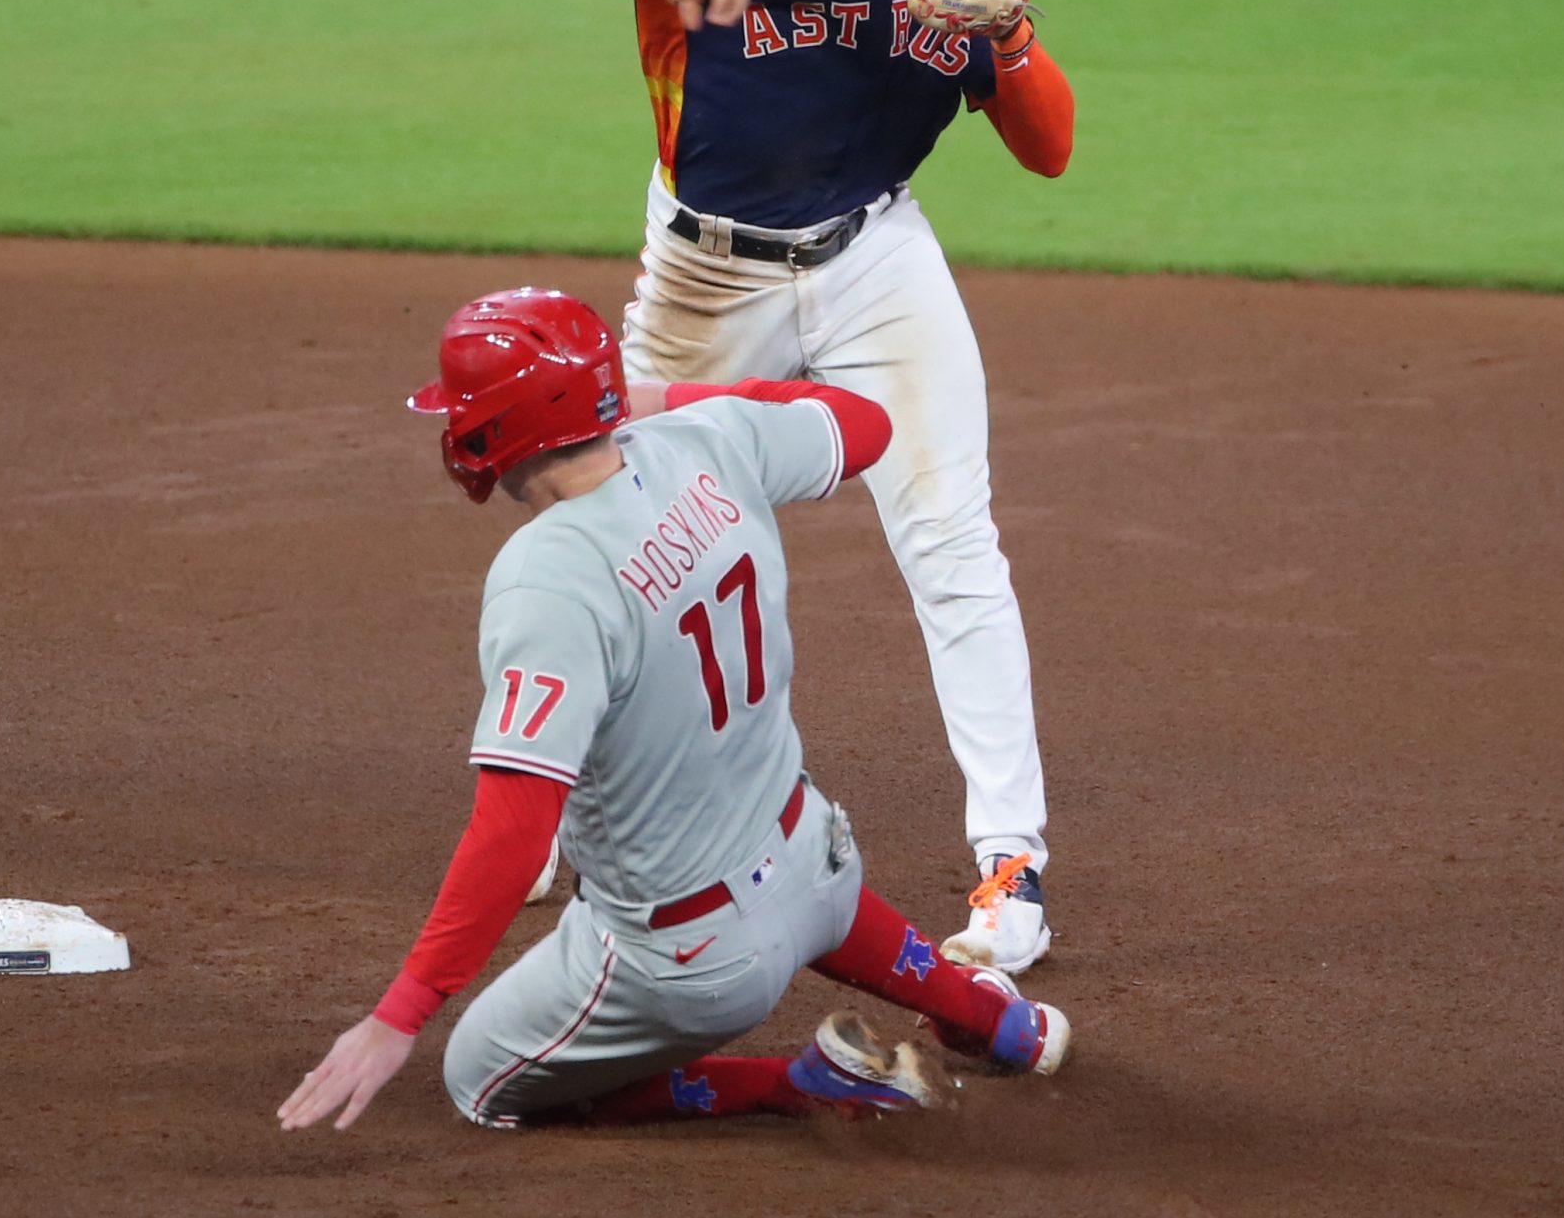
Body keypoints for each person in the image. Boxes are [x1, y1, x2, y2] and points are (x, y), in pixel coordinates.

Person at [276, 289, 1069, 1132]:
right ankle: (998, 1023)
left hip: (695, 966)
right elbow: (864, 423)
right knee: (783, 846)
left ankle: (790, 1083)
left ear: (492, 430)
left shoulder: (547, 577)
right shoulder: (708, 440)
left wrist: (396, 1016)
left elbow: (512, 834)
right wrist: (662, 402)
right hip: (816, 856)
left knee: (476, 1077)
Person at [581, 0, 1076, 973]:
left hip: (874, 260)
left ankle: (1010, 866)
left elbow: (1051, 151)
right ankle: (572, 814)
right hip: (706, 280)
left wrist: (1005, 30)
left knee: (952, 538)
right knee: (617, 537)